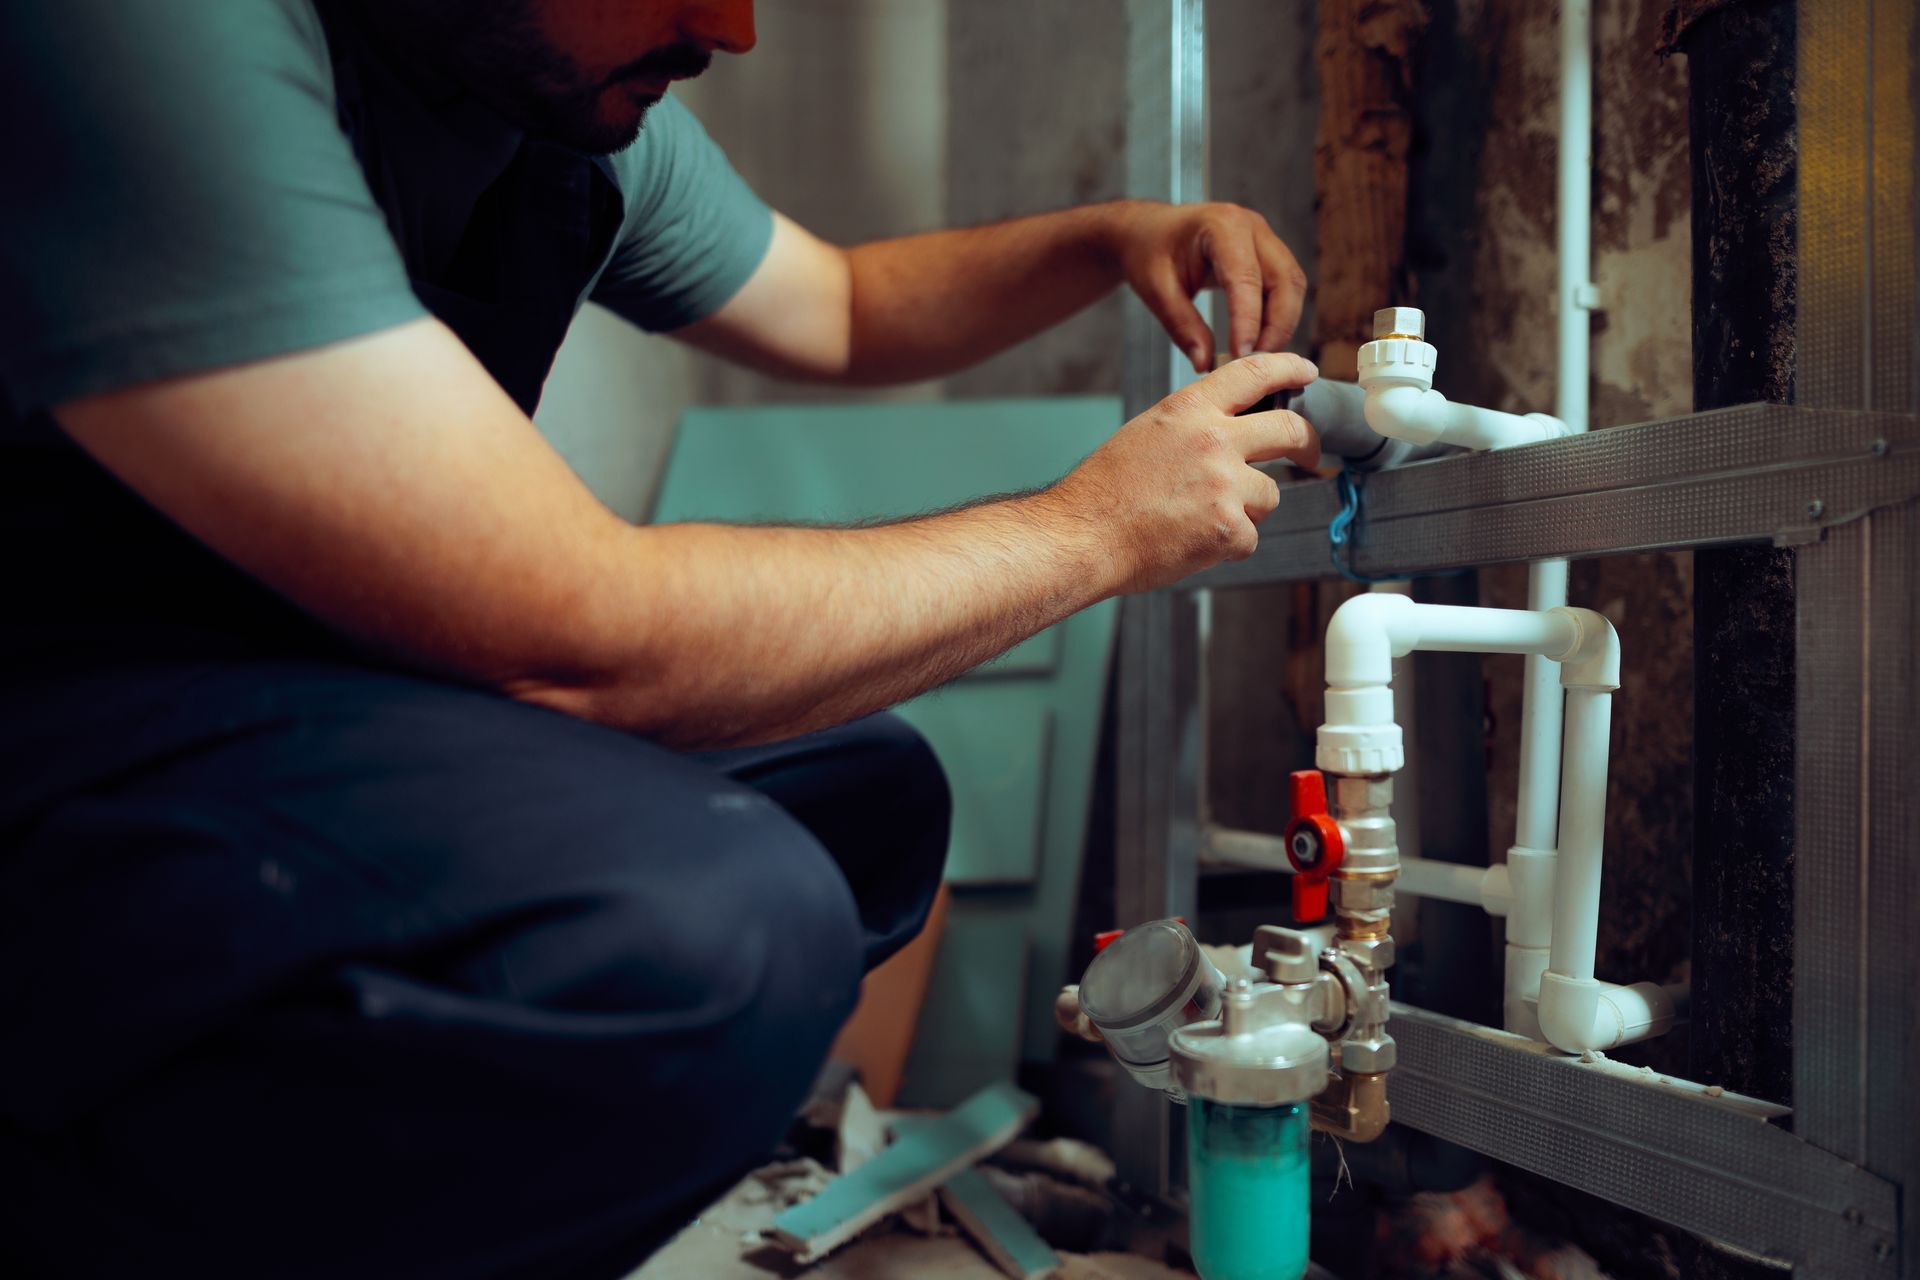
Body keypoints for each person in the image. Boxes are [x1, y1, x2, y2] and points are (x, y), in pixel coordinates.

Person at [0, 1, 1321, 1275]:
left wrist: (1118, 236)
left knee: (859, 790)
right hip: (68, 712)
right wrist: (1095, 531)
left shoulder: (553, 99)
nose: (733, 27)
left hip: (290, 701)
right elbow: (583, 637)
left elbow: (847, 305)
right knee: (728, 925)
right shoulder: (145, 33)